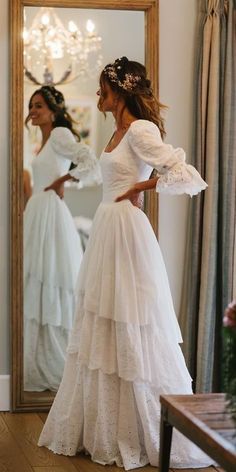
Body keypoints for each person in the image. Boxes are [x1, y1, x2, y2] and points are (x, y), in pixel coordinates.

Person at [38, 58, 213, 469]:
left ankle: (147, 429)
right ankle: (104, 428)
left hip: (128, 235)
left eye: (102, 89)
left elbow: (186, 174)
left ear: (119, 91)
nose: (99, 96)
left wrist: (143, 184)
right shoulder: (115, 130)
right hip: (106, 230)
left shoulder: (140, 128)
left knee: (134, 322)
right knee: (103, 324)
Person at [24, 85, 101, 392]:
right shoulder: (42, 141)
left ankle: (58, 363)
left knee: (51, 280)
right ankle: (35, 358)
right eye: (31, 105)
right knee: (35, 282)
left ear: (53, 111)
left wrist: (65, 178)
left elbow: (90, 163)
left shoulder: (58, 134)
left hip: (50, 215)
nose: (33, 110)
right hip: (37, 211)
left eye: (39, 105)